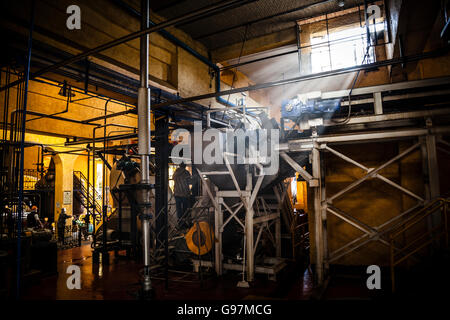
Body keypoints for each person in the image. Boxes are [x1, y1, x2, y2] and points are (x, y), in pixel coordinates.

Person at [172, 162, 192, 229]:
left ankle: (180, 224)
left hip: (177, 194)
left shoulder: (176, 172)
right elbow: (190, 182)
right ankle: (185, 223)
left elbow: (173, 178)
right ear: (185, 166)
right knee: (185, 210)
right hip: (184, 194)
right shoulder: (186, 172)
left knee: (179, 210)